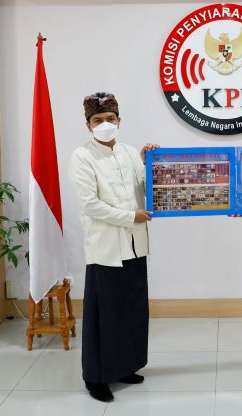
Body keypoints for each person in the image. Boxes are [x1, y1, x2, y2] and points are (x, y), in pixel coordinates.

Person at [69, 92, 159, 402]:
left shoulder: (130, 152)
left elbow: (145, 189)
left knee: (132, 310)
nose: (105, 124)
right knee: (104, 314)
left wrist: (151, 164)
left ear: (119, 120)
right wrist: (130, 216)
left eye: (110, 118)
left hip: (135, 245)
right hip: (106, 247)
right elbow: (89, 204)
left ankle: (125, 366)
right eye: (98, 120)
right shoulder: (82, 156)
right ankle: (95, 377)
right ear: (88, 125)